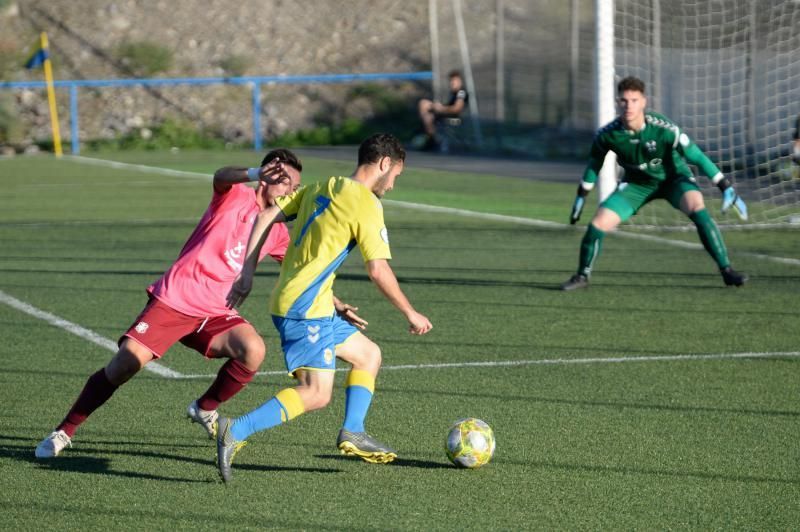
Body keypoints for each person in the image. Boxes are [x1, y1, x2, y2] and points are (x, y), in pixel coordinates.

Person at [34, 149, 305, 459]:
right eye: (286, 183)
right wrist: (255, 172)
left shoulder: (277, 230)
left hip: (215, 312)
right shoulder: (235, 197)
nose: (290, 192)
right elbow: (220, 176)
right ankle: (64, 430)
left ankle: (204, 408)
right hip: (176, 300)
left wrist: (333, 300)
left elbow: (298, 270)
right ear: (268, 177)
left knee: (254, 350)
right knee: (125, 364)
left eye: (295, 188)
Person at [216, 133, 433, 483]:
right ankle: (235, 430)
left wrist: (248, 274)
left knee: (368, 355)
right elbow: (378, 270)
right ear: (384, 164)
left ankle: (353, 431)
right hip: (304, 309)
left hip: (309, 302)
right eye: (395, 176)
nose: (392, 185)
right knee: (316, 393)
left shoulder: (325, 186)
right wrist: (410, 312)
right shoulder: (366, 203)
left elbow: (267, 213)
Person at [561, 76, 749, 291]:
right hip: (637, 185)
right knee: (597, 224)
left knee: (698, 207)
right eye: (624, 100)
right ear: (617, 102)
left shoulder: (664, 127)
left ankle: (727, 271)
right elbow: (594, 165)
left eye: (634, 100)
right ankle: (582, 276)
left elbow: (695, 156)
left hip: (673, 179)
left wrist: (724, 185)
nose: (629, 105)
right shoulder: (607, 135)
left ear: (644, 102)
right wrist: (581, 196)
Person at [417, 69, 469, 151]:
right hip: (444, 112)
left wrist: (442, 108)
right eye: (451, 81)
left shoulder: (461, 92)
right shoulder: (454, 93)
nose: (452, 83)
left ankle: (431, 138)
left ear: (459, 81)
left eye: (454, 81)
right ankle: (429, 135)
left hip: (452, 115)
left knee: (427, 113)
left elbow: (456, 109)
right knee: (424, 105)